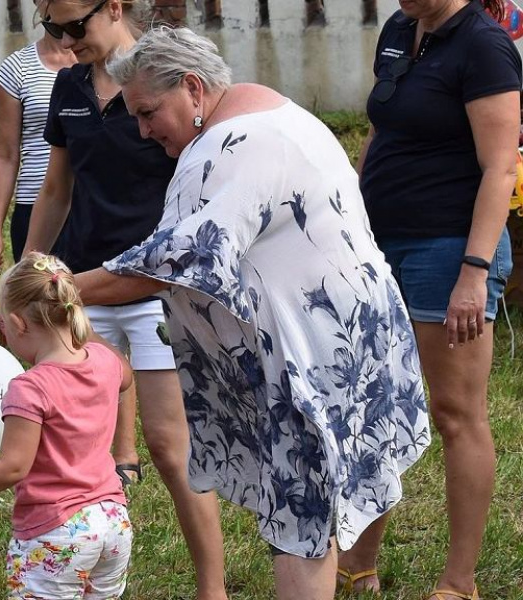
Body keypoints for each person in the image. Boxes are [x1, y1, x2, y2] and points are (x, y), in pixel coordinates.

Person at [82, 27, 430, 600]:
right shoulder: (273, 110)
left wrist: (71, 288)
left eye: (148, 112)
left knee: (303, 524)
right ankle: (356, 571)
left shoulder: (233, 144)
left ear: (193, 89)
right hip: (360, 331)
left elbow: (181, 259)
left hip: (315, 357)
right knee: (344, 478)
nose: (143, 130)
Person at [23, 1, 228, 596]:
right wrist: (31, 268)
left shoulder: (166, 77)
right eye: (49, 28)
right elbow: (56, 186)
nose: (62, 39)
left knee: (168, 446)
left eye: (72, 26)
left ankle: (212, 587)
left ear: (113, 7)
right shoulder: (66, 86)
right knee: (72, 447)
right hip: (80, 289)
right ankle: (82, 576)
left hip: (152, 289)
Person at [340, 2, 519, 598]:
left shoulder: (485, 46)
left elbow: (499, 168)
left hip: (447, 248)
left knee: (453, 413)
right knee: (374, 405)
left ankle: (459, 581)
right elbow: (384, 131)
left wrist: (473, 271)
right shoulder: (400, 29)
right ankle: (359, 562)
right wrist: (351, 216)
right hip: (381, 241)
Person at [0, 252, 133, 600]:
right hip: (113, 521)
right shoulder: (105, 362)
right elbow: (126, 374)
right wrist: (82, 329)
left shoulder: (30, 387)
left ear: (17, 324)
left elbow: (12, 467)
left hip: (57, 531)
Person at [0, 0, 76, 274]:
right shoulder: (17, 69)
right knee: (39, 299)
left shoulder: (101, 64)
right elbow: (6, 155)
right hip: (35, 206)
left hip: (90, 204)